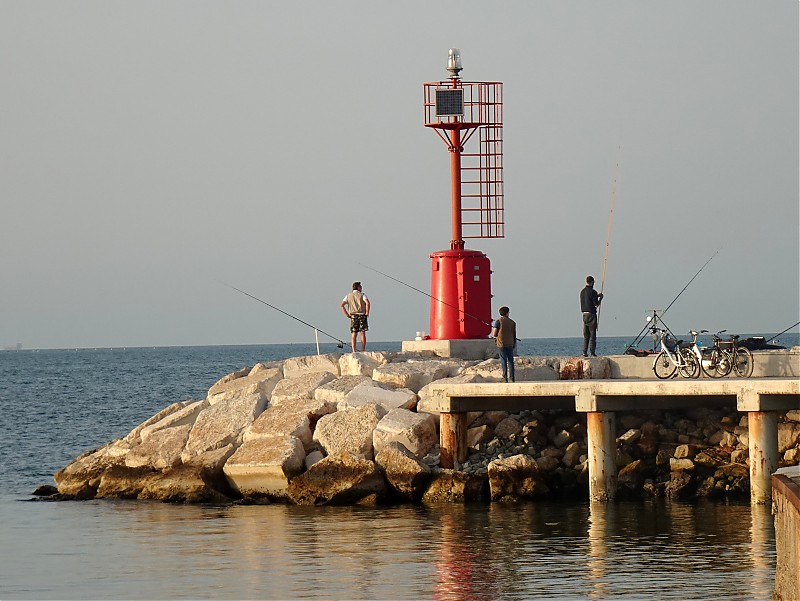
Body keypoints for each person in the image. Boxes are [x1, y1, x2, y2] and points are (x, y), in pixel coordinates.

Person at [340, 281, 370, 352]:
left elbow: (341, 305)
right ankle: (363, 350)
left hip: (353, 316)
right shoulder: (362, 295)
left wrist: (347, 314)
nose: (361, 288)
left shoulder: (348, 296)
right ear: (358, 287)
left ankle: (353, 350)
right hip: (362, 315)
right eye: (361, 287)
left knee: (354, 334)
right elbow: (367, 303)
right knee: (362, 333)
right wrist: (367, 312)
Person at [491, 306, 517, 382]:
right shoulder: (512, 322)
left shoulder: (498, 321)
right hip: (510, 343)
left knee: (503, 360)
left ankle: (504, 377)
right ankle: (512, 378)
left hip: (501, 344)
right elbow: (514, 334)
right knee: (510, 361)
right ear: (507, 313)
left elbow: (495, 334)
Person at [580, 275, 604, 357]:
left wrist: (597, 295)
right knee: (592, 334)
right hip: (591, 315)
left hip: (584, 315)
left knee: (586, 335)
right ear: (592, 282)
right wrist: (601, 298)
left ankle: (584, 352)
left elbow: (588, 298)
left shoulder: (582, 292)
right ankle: (592, 352)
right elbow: (596, 305)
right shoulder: (593, 292)